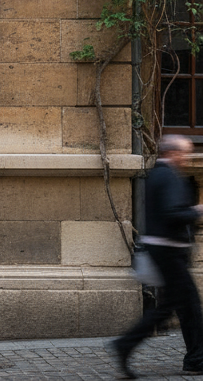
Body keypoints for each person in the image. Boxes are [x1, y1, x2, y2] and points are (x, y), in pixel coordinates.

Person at [111, 135, 203, 378]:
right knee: (181, 307)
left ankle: (196, 358)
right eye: (184, 153)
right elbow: (172, 212)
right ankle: (126, 344)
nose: (186, 158)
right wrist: (197, 210)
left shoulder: (159, 174)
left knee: (184, 307)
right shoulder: (168, 175)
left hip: (165, 250)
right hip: (168, 251)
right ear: (172, 153)